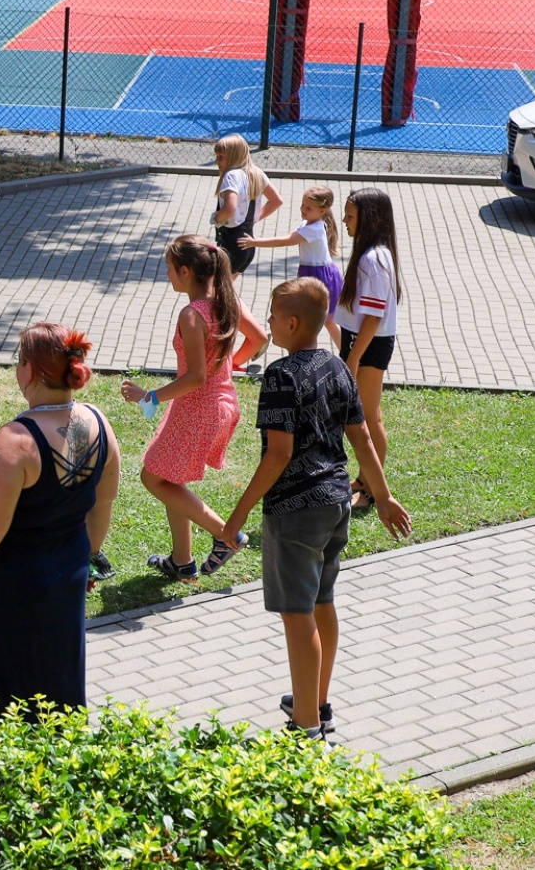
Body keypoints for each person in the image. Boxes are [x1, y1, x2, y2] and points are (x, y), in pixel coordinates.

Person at [221, 278, 412, 737]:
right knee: (322, 602)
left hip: (295, 509)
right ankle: (317, 702)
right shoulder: (337, 367)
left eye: (270, 313)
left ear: (290, 323)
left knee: (297, 612)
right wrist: (381, 495)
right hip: (336, 502)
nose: (266, 320)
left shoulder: (280, 377)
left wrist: (240, 511)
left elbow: (278, 454)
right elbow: (362, 437)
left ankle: (306, 725)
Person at [0, 322, 120, 716]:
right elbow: (102, 503)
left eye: (18, 360)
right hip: (66, 581)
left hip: (8, 592)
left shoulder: (16, 442)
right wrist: (86, 558)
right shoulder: (97, 423)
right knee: (58, 693)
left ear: (31, 370)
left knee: (0, 702)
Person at [121, 235, 268, 583]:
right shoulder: (226, 301)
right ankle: (182, 562)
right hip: (222, 403)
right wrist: (227, 366)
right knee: (172, 475)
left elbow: (196, 377)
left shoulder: (191, 315)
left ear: (186, 272)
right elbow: (260, 339)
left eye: (170, 269)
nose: (168, 275)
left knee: (152, 476)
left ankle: (226, 535)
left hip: (199, 408)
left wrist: (150, 397)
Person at [334, 187, 403, 512]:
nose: (344, 222)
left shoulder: (372, 260)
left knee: (368, 419)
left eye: (350, 216)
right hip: (362, 341)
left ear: (369, 219)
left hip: (368, 345)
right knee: (365, 416)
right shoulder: (373, 254)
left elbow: (373, 317)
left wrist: (353, 356)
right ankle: (363, 479)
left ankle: (374, 490)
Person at [239, 183, 344, 347]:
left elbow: (284, 241)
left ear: (322, 211)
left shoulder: (314, 229)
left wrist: (254, 242)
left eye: (308, 208)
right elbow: (289, 235)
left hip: (321, 276)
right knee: (308, 318)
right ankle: (294, 345)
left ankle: (349, 357)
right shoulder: (307, 224)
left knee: (328, 321)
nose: (303, 209)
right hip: (310, 273)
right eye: (303, 204)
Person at [212, 134, 283, 275]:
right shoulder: (257, 173)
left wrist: (217, 219)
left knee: (216, 291)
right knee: (227, 291)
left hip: (231, 244)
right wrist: (254, 219)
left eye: (221, 157)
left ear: (233, 157)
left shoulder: (231, 176)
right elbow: (276, 201)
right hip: (248, 243)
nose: (216, 161)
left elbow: (230, 207)